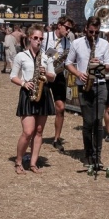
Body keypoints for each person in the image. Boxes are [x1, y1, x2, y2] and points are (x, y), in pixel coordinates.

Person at [65, 16, 109, 167]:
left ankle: (97, 156)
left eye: (96, 33)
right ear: (86, 28)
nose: (93, 35)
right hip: (83, 86)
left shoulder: (104, 44)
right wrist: (79, 74)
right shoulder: (76, 43)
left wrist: (102, 65)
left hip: (100, 85)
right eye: (91, 32)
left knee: (98, 122)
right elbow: (68, 63)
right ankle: (88, 154)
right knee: (88, 122)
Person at [10, 24, 55, 174]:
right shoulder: (21, 56)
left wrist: (45, 72)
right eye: (36, 38)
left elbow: (53, 77)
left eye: (41, 38)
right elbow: (13, 76)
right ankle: (18, 161)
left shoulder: (46, 56)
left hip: (44, 92)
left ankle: (33, 163)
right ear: (30, 38)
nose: (39, 41)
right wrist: (24, 83)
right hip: (28, 92)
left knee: (39, 131)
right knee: (28, 131)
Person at [42, 16, 74, 152]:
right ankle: (36, 134)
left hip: (58, 74)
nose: (68, 31)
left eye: (70, 29)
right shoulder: (45, 37)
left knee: (60, 108)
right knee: (40, 107)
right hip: (44, 74)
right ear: (59, 26)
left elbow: (69, 62)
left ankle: (56, 138)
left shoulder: (68, 43)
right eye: (66, 28)